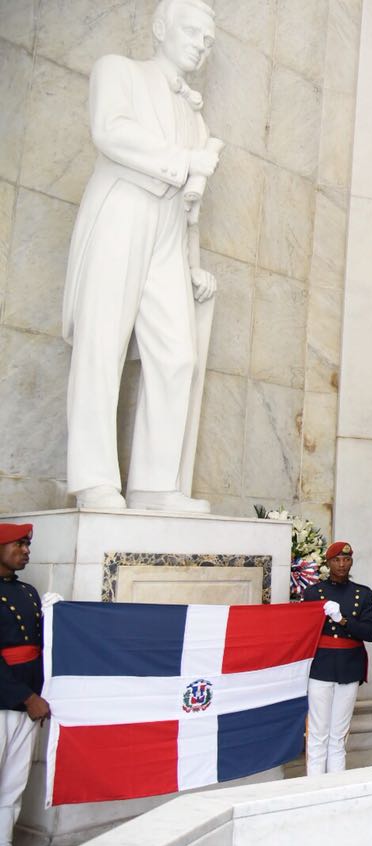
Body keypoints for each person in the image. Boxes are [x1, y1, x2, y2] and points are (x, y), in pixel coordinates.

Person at [62, 0, 225, 511]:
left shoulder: (196, 121)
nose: (202, 43)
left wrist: (192, 264)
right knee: (101, 340)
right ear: (160, 28)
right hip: (122, 208)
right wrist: (185, 161)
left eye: (209, 38)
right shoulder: (119, 70)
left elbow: (189, 208)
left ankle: (156, 485)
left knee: (177, 354)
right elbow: (109, 131)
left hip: (168, 233)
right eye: (194, 31)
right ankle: (93, 479)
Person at [301, 541, 372, 775]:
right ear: (329, 562)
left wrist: (342, 619)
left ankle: (336, 785)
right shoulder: (313, 593)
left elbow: (369, 633)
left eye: (346, 560)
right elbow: (304, 632)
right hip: (321, 666)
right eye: (337, 560)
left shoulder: (362, 593)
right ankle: (314, 785)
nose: (342, 564)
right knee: (317, 733)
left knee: (338, 734)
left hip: (348, 667)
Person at [0, 524, 50, 846]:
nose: (26, 551)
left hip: (28, 705)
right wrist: (26, 696)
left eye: (28, 545)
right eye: (19, 544)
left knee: (12, 789)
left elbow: (41, 647)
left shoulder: (29, 592)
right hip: (8, 699)